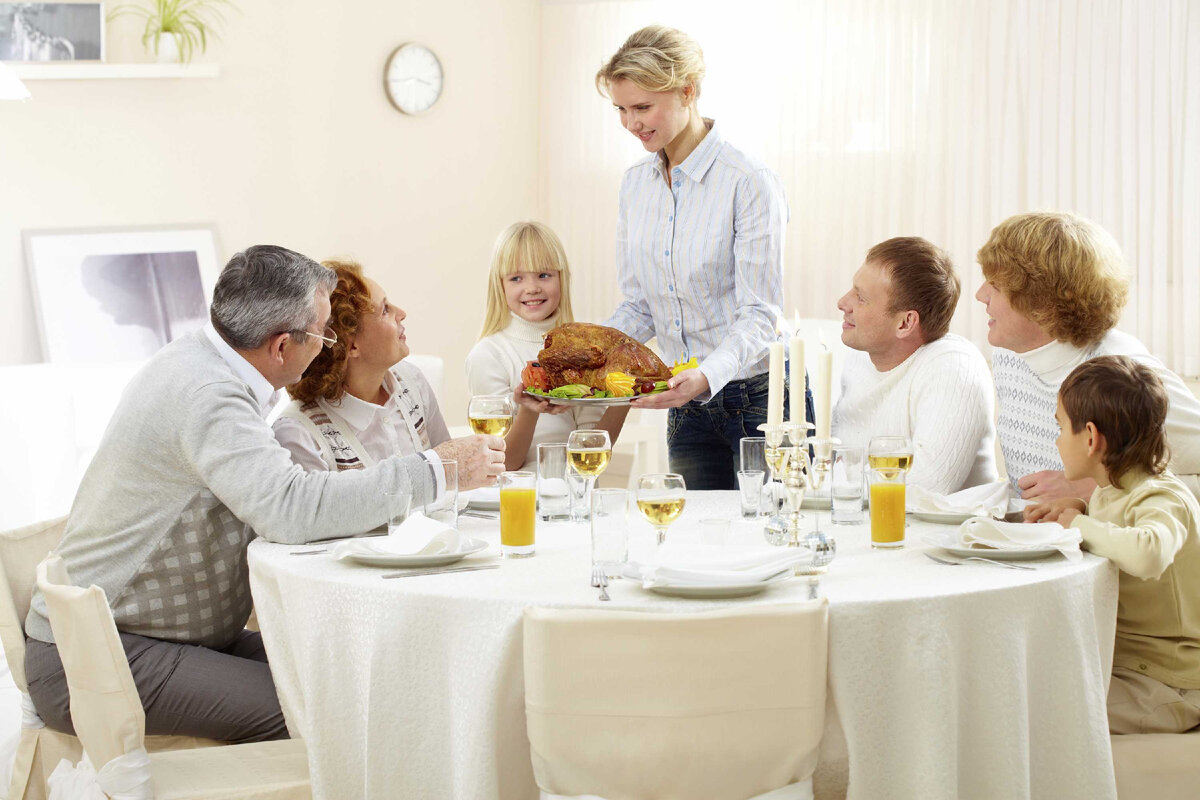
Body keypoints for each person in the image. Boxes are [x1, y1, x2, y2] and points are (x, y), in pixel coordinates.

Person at [23, 245, 505, 744]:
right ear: (281, 347)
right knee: (333, 716)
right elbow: (291, 510)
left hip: (173, 639)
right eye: (324, 333)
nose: (328, 348)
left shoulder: (198, 360)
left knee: (362, 680)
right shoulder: (209, 396)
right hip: (98, 656)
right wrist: (435, 469)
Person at [595, 25, 811, 489]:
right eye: (621, 109)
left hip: (762, 397)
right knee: (695, 530)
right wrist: (586, 363)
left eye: (642, 107)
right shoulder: (635, 184)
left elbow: (760, 314)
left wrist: (706, 375)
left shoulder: (748, 181)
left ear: (687, 91)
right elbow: (640, 306)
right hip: (687, 405)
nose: (631, 123)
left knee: (774, 524)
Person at [1025, 356, 1200, 734]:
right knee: (1029, 684)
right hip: (1127, 664)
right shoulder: (1113, 489)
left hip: (1170, 682)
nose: (1057, 440)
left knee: (1046, 714)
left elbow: (1149, 553)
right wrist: (1079, 507)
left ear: (1090, 438)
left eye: (1060, 427)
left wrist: (1080, 524)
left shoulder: (1162, 496)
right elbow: (1118, 524)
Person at [976, 211, 1200, 502]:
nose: (980, 295)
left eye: (996, 286)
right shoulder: (1010, 356)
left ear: (1041, 300)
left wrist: (1102, 488)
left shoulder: (1122, 375)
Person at [832, 237, 996, 493]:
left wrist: (839, 482)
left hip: (943, 521)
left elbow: (928, 485)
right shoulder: (859, 357)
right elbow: (834, 464)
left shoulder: (955, 368)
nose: (842, 302)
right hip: (868, 517)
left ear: (905, 323)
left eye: (861, 297)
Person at [466, 221, 628, 470]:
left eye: (544, 275)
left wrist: (627, 397)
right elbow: (506, 463)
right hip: (519, 492)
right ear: (500, 285)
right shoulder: (488, 356)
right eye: (516, 278)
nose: (532, 288)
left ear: (562, 279)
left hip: (576, 490)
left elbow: (592, 449)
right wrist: (529, 409)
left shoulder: (583, 351)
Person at [273, 258, 451, 471]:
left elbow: (452, 470)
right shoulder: (299, 435)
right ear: (351, 346)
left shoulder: (412, 382)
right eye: (385, 310)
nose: (402, 313)